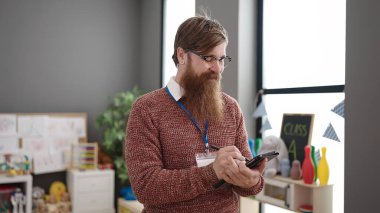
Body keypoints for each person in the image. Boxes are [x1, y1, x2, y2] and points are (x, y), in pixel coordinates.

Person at [125, 15, 266, 213]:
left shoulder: (231, 108)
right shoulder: (146, 109)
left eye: (221, 59)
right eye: (208, 58)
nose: (217, 69)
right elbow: (146, 187)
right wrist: (211, 172)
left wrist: (252, 180)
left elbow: (247, 183)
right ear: (182, 55)